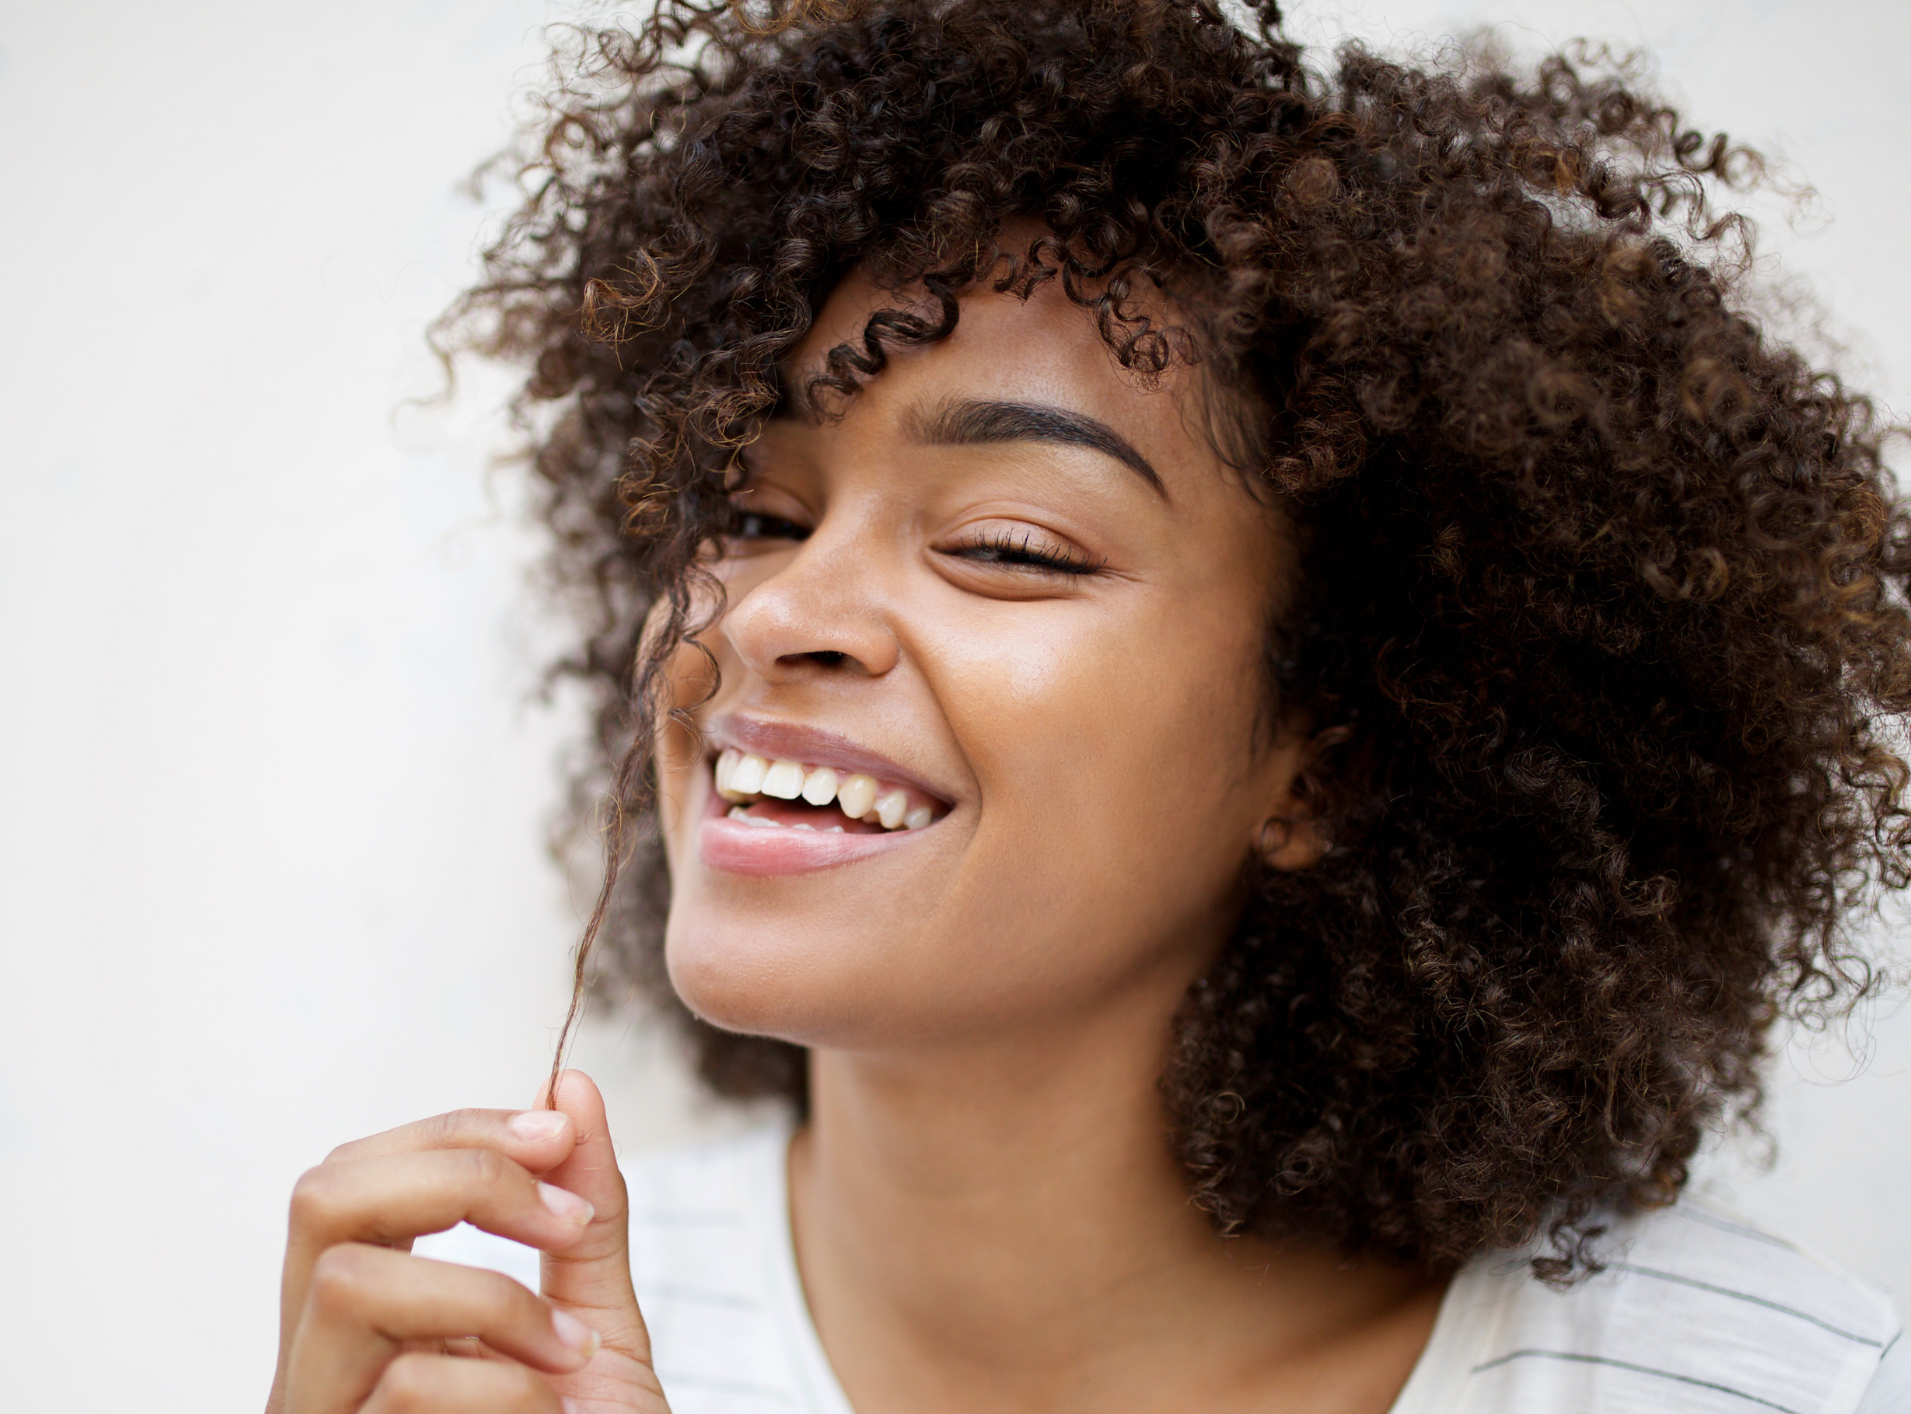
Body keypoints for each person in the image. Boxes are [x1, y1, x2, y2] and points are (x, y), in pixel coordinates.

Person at [262, 2, 1911, 1410]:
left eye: (1007, 545)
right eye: (753, 514)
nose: (775, 614)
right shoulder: (474, 1348)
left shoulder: (1771, 1384)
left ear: (1331, 753)